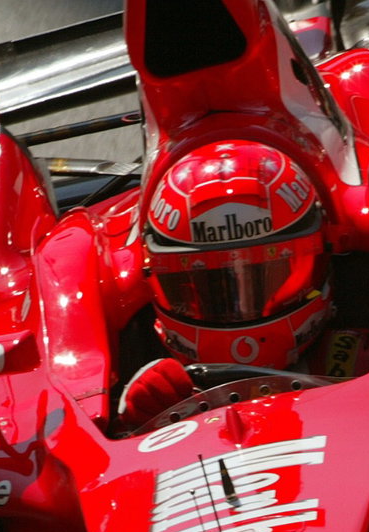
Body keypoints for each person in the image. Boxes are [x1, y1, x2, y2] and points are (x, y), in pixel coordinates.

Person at [118, 139, 335, 427]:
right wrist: (134, 420)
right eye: (208, 288)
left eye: (268, 277)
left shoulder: (358, 348)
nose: (239, 309)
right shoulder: (159, 388)